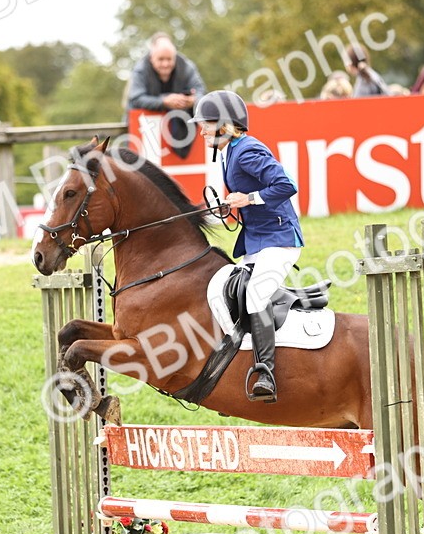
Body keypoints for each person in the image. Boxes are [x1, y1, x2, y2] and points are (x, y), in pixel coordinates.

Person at [192, 90, 303, 404]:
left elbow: (286, 185)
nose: (201, 131)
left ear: (225, 124)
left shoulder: (247, 150)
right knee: (235, 293)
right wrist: (230, 205)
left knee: (254, 296)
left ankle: (265, 372)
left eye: (206, 124)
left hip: (279, 241)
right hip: (259, 239)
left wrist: (247, 199)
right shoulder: (230, 151)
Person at [126, 32, 206, 159]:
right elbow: (135, 99)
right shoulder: (140, 69)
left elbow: (201, 90)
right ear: (152, 57)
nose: (165, 64)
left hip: (178, 131)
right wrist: (164, 101)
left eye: (169, 59)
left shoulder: (186, 66)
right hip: (144, 130)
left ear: (174, 57)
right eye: (161, 59)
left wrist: (192, 100)